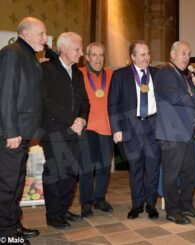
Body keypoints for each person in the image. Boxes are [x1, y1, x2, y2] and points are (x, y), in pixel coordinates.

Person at [154, 41, 195, 224]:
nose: (187, 57)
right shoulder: (165, 73)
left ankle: (186, 205)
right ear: (172, 55)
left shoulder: (184, 76)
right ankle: (172, 210)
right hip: (172, 134)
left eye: (189, 53)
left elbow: (194, 97)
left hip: (186, 133)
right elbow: (176, 97)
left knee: (189, 171)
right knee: (171, 174)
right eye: (183, 53)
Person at [0, 17, 47, 244]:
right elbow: (6, 94)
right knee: (6, 185)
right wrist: (11, 132)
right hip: (12, 135)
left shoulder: (28, 55)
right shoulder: (13, 52)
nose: (45, 39)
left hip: (23, 134)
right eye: (41, 34)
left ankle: (13, 225)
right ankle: (5, 235)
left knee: (17, 183)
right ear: (26, 33)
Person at [41, 32, 90, 229]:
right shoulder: (46, 69)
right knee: (55, 172)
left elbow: (85, 102)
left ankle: (62, 209)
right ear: (64, 49)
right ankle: (53, 215)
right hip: (54, 130)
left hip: (74, 131)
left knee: (71, 172)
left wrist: (82, 119)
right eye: (77, 49)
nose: (81, 54)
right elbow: (46, 101)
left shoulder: (78, 73)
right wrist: (72, 119)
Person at [109, 40, 161, 220]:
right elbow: (113, 104)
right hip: (131, 127)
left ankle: (151, 204)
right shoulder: (120, 75)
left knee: (153, 167)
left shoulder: (157, 73)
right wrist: (116, 129)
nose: (146, 57)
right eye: (142, 54)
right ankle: (137, 204)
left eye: (147, 53)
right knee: (135, 167)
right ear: (132, 57)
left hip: (154, 126)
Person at [78, 42, 114, 218]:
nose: (98, 59)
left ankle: (99, 199)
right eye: (94, 55)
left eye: (101, 55)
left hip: (107, 128)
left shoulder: (111, 74)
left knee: (104, 167)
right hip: (87, 127)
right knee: (86, 167)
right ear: (87, 57)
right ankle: (86, 203)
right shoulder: (78, 74)